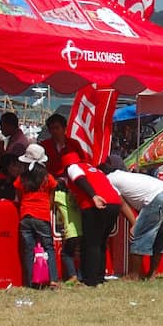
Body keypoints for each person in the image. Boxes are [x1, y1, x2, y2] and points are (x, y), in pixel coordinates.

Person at [48, 115, 122, 286]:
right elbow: (111, 186)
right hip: (114, 203)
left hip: (95, 202)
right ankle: (100, 277)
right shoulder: (93, 168)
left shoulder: (73, 167)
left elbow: (78, 178)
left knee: (92, 242)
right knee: (102, 242)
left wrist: (93, 196)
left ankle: (91, 279)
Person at [106, 156, 163, 280]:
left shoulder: (109, 179)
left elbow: (121, 203)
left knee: (139, 235)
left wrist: (134, 224)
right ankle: (152, 274)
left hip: (157, 198)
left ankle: (133, 275)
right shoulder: (129, 176)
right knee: (161, 236)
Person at [14, 142, 57, 289]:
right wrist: (47, 208)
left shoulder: (22, 178)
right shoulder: (47, 177)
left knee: (28, 250)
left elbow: (19, 196)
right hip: (42, 216)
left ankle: (30, 281)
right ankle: (53, 279)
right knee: (49, 248)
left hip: (25, 215)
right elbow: (52, 194)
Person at [50, 178, 81, 283]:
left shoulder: (59, 196)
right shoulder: (74, 197)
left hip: (71, 231)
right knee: (82, 254)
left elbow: (49, 200)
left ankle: (73, 276)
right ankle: (80, 276)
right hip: (81, 230)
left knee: (66, 253)